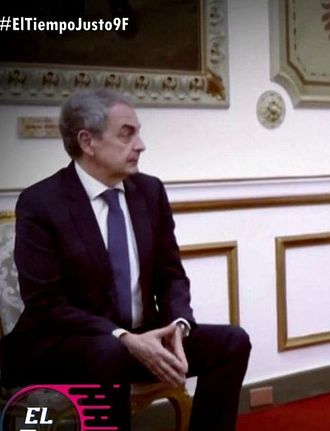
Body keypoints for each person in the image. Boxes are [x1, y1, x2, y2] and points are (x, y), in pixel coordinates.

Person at [0, 89, 251, 431]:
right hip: (68, 344)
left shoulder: (150, 191)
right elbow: (46, 305)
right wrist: (122, 337)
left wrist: (179, 326)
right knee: (110, 352)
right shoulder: (42, 202)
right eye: (126, 134)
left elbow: (171, 277)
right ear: (87, 141)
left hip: (141, 337)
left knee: (232, 343)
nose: (140, 145)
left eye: (138, 132)